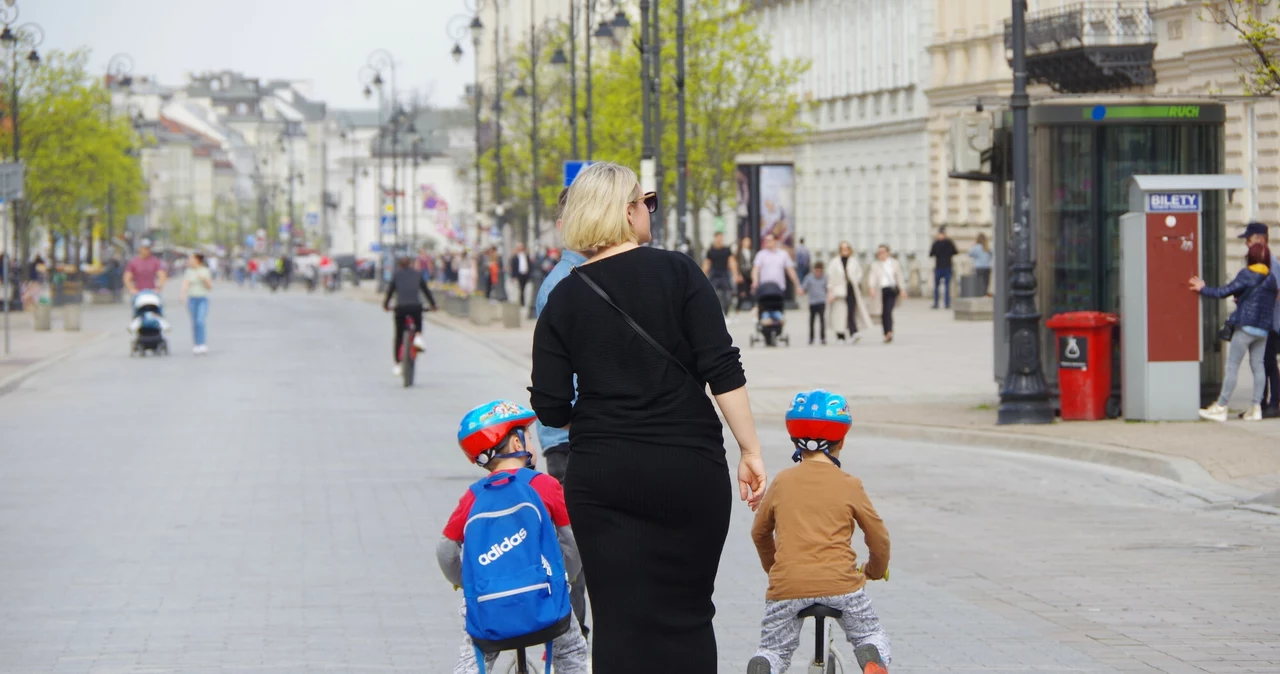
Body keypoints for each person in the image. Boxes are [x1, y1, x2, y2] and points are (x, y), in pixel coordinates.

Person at [530, 162, 768, 673]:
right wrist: (749, 451)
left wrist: (602, 418)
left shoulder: (564, 297)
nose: (650, 211)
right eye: (646, 202)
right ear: (627, 212)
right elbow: (722, 366)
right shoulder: (679, 271)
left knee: (618, 621)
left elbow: (549, 406)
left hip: (602, 475)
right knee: (687, 615)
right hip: (689, 466)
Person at [437, 400, 589, 674]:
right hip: (544, 603)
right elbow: (571, 542)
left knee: (473, 658)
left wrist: (468, 581)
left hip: (489, 609)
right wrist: (568, 575)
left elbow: (445, 550)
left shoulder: (474, 496)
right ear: (518, 444)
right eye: (528, 436)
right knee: (572, 652)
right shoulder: (544, 485)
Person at [748, 390, 891, 674]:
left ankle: (765, 665)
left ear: (795, 440)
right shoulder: (850, 483)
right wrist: (874, 570)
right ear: (843, 440)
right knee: (870, 634)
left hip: (788, 586)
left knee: (774, 649)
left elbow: (759, 533)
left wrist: (776, 569)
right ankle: (871, 656)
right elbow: (878, 537)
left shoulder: (782, 482)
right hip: (842, 586)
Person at [533, 188, 590, 636]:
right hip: (573, 438)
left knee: (578, 549)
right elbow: (559, 379)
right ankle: (575, 645)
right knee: (578, 552)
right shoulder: (568, 283)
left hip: (568, 437)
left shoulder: (574, 277)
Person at [1192, 241, 1278, 422]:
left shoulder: (1247, 274)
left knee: (1232, 366)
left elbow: (1225, 291)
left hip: (1246, 327)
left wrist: (1203, 288)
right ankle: (1256, 408)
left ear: (1250, 258)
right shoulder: (1271, 278)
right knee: (1258, 366)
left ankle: (1221, 406)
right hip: (1263, 330)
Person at [1239, 222, 1280, 418]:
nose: (1247, 244)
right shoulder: (1259, 262)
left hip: (1270, 321)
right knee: (1260, 363)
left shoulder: (1271, 263)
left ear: (1261, 239)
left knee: (1269, 363)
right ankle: (1260, 403)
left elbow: (1276, 293)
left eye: (1250, 239)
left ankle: (1273, 403)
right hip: (1263, 320)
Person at [383, 255, 438, 377]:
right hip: (415, 306)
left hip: (400, 307)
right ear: (411, 264)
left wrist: (386, 305)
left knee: (398, 335)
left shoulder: (396, 275)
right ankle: (418, 336)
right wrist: (433, 305)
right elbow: (426, 291)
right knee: (418, 319)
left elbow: (390, 292)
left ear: (399, 265)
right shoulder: (418, 274)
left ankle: (397, 364)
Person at [828, 242, 872, 344]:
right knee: (839, 314)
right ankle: (840, 335)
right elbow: (830, 278)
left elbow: (859, 274)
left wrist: (854, 280)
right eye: (842, 248)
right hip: (838, 292)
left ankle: (853, 332)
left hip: (851, 289)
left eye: (846, 248)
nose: (845, 250)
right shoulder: (835, 262)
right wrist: (830, 292)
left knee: (851, 312)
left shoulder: (853, 261)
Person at [868, 245, 906, 343]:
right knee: (883, 312)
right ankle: (886, 333)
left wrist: (902, 289)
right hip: (881, 290)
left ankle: (889, 332)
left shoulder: (894, 263)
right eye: (879, 252)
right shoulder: (875, 264)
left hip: (891, 289)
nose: (881, 254)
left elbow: (899, 276)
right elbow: (872, 276)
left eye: (883, 252)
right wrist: (871, 288)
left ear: (888, 252)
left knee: (888, 310)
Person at [178, 252, 213, 355]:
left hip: (202, 298)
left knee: (200, 320)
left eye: (192, 259)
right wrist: (182, 294)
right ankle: (196, 344)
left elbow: (210, 287)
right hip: (192, 299)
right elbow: (186, 283)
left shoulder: (205, 271)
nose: (190, 261)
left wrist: (204, 279)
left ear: (198, 260)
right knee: (194, 322)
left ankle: (202, 343)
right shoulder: (189, 271)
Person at [751, 233, 804, 300]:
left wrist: (797, 285)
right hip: (765, 288)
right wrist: (755, 281)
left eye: (769, 240)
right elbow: (755, 269)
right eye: (766, 240)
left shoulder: (783, 254)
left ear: (775, 241)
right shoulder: (761, 254)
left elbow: (791, 271)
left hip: (779, 288)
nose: (767, 242)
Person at [702, 231, 740, 318]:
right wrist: (702, 276)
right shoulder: (711, 251)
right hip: (714, 275)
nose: (720, 239)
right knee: (712, 294)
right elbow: (707, 264)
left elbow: (732, 262)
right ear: (715, 238)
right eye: (718, 237)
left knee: (727, 295)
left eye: (721, 238)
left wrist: (735, 275)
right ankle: (714, 312)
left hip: (724, 275)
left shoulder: (726, 250)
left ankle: (726, 312)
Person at [928, 227, 958, 309]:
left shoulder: (937, 243)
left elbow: (931, 254)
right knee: (944, 286)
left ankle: (939, 303)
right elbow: (955, 252)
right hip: (945, 266)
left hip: (942, 266)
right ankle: (944, 303)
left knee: (941, 286)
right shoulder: (949, 243)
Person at [802, 261, 829, 345]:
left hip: (821, 302)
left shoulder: (825, 278)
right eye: (816, 271)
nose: (818, 273)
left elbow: (827, 288)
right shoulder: (809, 278)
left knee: (822, 320)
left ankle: (823, 338)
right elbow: (804, 288)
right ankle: (811, 338)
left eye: (820, 271)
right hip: (812, 302)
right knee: (812, 321)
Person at [737, 236, 755, 312]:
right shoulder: (739, 252)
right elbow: (737, 264)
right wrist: (739, 274)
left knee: (751, 291)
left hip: (750, 273)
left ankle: (753, 308)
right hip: (742, 273)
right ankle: (738, 308)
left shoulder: (752, 252)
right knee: (742, 292)